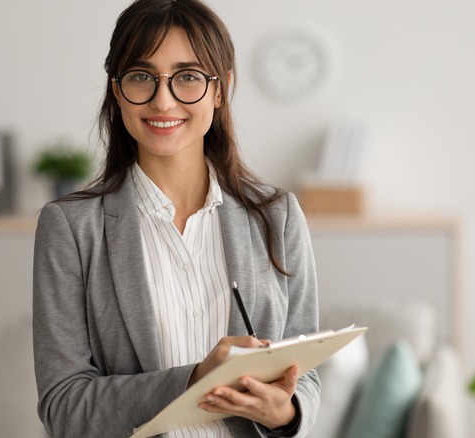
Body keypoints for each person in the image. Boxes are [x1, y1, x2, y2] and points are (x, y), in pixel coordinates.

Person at [32, 0, 320, 436]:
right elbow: (64, 408)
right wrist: (193, 380)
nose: (162, 100)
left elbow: (307, 378)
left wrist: (285, 413)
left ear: (221, 88)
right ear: (117, 90)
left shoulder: (276, 216)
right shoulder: (71, 227)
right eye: (141, 77)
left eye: (187, 77)